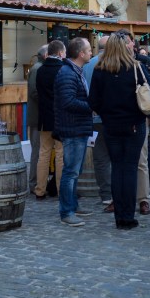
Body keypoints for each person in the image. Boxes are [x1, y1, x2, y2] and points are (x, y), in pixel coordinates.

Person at [90, 33, 150, 229]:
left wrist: (108, 115)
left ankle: (119, 217)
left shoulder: (100, 70)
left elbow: (94, 101)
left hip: (111, 125)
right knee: (130, 168)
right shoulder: (135, 68)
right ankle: (128, 216)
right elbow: (149, 95)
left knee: (117, 168)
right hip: (134, 125)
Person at [118, 28, 150, 216]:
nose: (132, 45)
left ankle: (143, 199)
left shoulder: (140, 66)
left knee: (141, 160)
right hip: (117, 121)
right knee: (119, 161)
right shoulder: (107, 68)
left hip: (138, 120)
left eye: (132, 42)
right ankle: (119, 198)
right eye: (128, 42)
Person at [53, 37, 95, 227]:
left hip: (78, 126)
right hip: (72, 128)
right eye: (89, 50)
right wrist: (91, 107)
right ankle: (67, 211)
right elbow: (68, 102)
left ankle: (73, 205)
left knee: (75, 171)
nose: (91, 52)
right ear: (81, 54)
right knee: (70, 171)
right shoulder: (67, 73)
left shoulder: (74, 71)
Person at [83, 35, 114, 211]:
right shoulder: (116, 62)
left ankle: (106, 194)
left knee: (100, 157)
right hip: (112, 117)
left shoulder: (88, 64)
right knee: (116, 155)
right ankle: (117, 192)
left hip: (94, 117)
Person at [33, 40, 66, 199]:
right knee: (60, 154)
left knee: (43, 154)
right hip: (60, 118)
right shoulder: (63, 69)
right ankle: (60, 189)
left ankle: (40, 190)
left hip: (44, 118)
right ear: (60, 53)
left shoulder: (40, 70)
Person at [27, 45, 47, 194]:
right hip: (37, 117)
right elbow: (35, 92)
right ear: (46, 55)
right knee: (37, 152)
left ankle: (39, 182)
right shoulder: (37, 69)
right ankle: (34, 184)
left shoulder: (39, 68)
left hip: (40, 116)